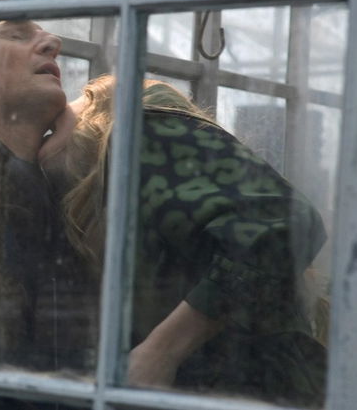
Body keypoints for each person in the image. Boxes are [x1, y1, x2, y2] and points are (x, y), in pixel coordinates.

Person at [40, 75, 328, 406]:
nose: (62, 109)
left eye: (79, 101)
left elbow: (287, 222)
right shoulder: (129, 190)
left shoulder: (139, 128)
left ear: (98, 114)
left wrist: (161, 351)